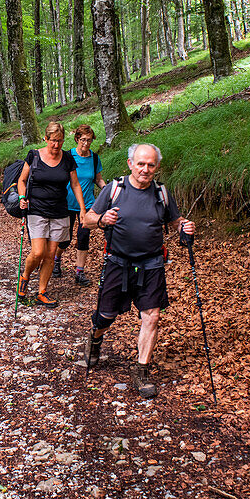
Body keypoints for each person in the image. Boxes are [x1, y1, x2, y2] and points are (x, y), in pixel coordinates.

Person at [82, 143, 195, 398]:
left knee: (151, 316)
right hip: (117, 263)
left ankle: (141, 369)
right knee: (106, 315)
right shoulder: (114, 190)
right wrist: (102, 220)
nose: (145, 169)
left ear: (157, 166)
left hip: (152, 264)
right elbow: (86, 220)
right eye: (141, 163)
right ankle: (95, 339)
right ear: (130, 163)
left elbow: (174, 220)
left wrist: (183, 227)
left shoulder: (162, 193)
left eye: (151, 165)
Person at [16, 122, 89, 308]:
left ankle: (42, 292)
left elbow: (75, 185)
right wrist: (22, 197)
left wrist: (82, 209)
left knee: (50, 255)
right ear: (46, 139)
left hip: (59, 211)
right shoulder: (34, 156)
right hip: (37, 210)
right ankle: (25, 277)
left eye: (60, 141)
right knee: (38, 252)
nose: (56, 145)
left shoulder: (67, 159)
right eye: (53, 141)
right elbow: (22, 180)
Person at [53, 124, 105, 286]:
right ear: (77, 139)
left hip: (88, 204)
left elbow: (98, 179)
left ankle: (79, 272)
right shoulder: (68, 156)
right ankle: (56, 259)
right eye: (83, 140)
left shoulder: (94, 158)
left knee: (84, 237)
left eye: (89, 140)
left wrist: (108, 189)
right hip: (67, 203)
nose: (86, 143)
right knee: (65, 239)